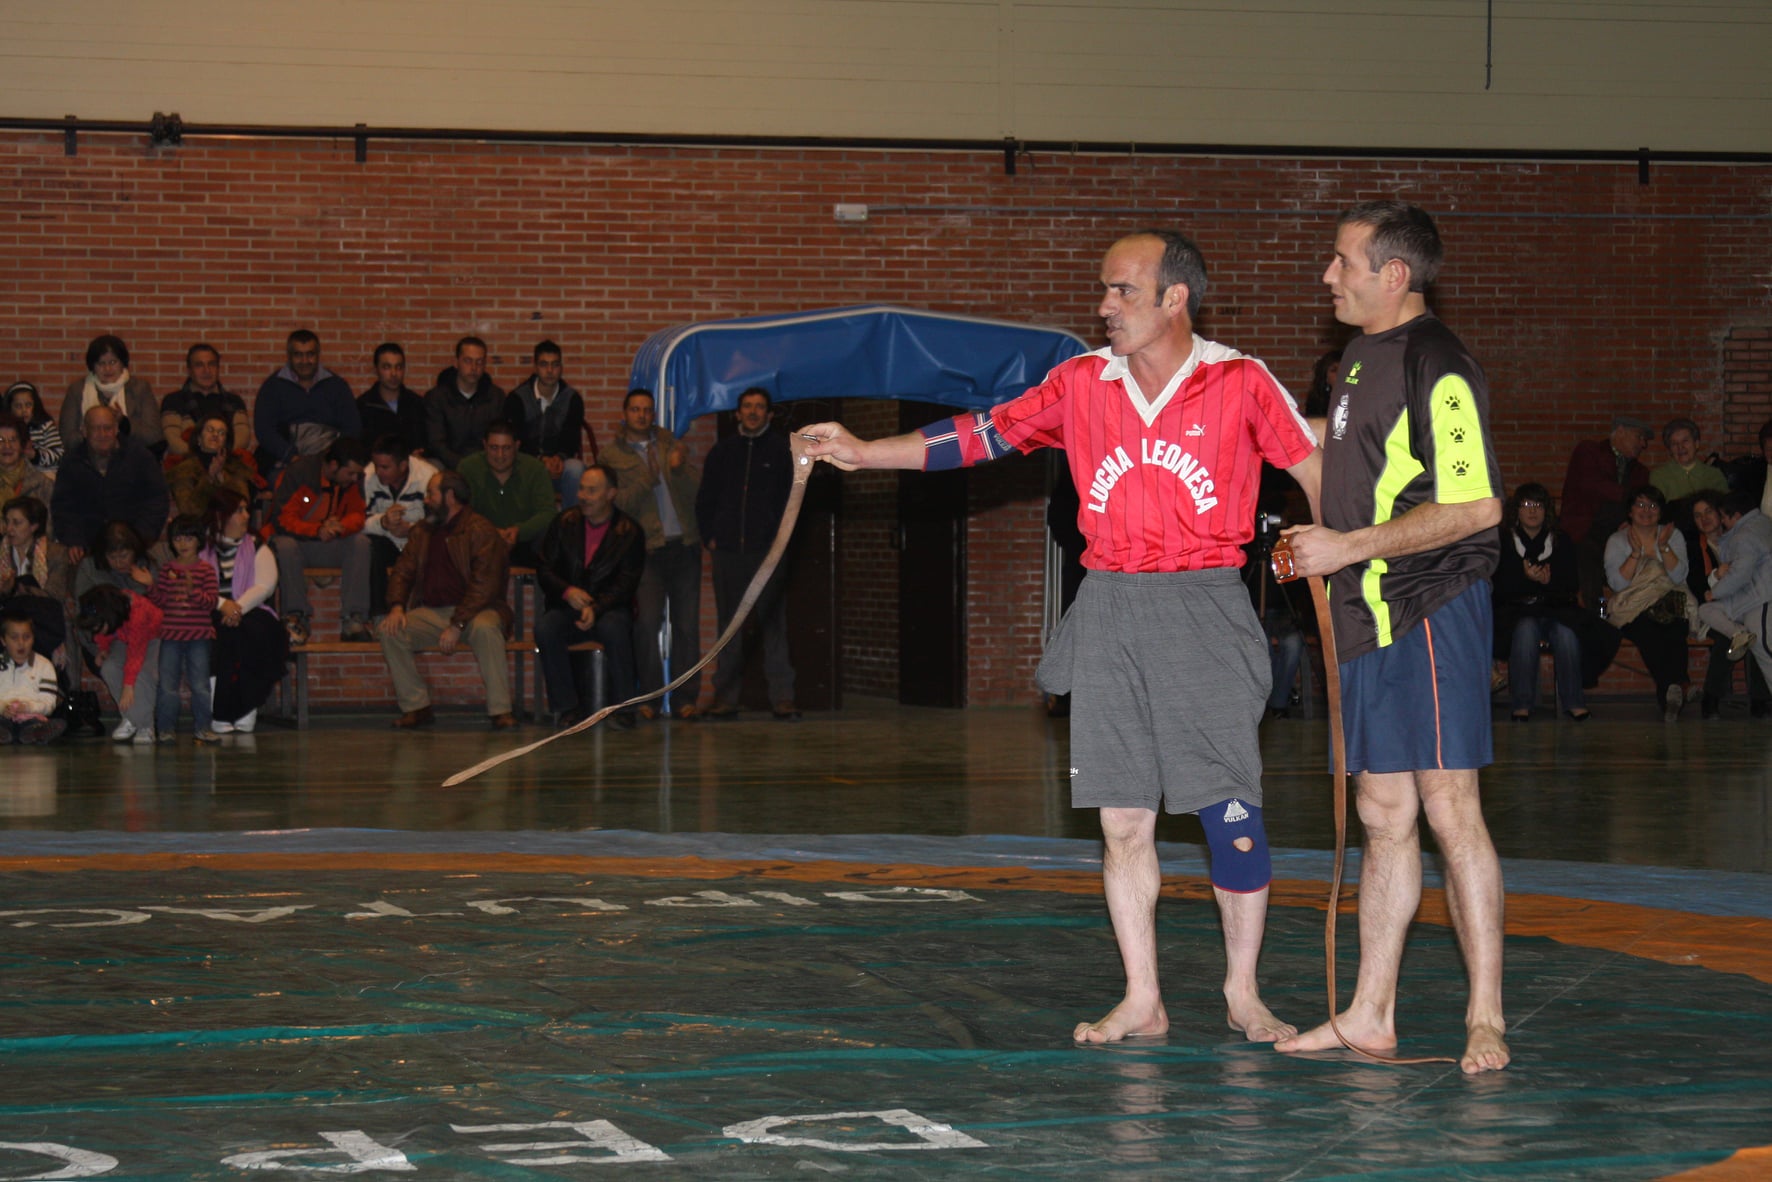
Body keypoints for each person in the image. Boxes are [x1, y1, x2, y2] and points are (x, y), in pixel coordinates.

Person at [803, 229, 1322, 1047]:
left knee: (1229, 807)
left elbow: (1314, 467)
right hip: (1111, 602)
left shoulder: (1240, 380)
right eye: (1104, 290)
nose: (1104, 306)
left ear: (1174, 298)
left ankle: (1243, 994)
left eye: (1122, 291)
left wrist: (1353, 550)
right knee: (1122, 821)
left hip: (1205, 605)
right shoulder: (1081, 383)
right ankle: (1143, 997)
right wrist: (867, 455)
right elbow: (981, 434)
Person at [1274, 200, 1509, 1074]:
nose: (1328, 276)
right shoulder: (1354, 363)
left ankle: (1486, 1014)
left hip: (1430, 608)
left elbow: (1477, 504)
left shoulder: (1440, 366)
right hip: (1362, 616)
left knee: (1451, 808)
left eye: (1342, 262)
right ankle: (1371, 1011)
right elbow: (1361, 466)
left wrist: (1348, 546)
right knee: (1383, 813)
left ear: (1394, 275)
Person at [377, 469, 518, 731]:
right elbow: (402, 571)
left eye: (431, 493)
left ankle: (501, 710)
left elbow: (484, 586)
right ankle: (416, 707)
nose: (426, 499)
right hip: (433, 612)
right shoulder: (422, 531)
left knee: (487, 630)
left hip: (479, 610)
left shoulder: (480, 529)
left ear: (449, 496)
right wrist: (397, 607)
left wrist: (457, 624)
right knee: (390, 631)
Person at [696, 387, 798, 719]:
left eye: (759, 407)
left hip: (768, 553)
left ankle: (783, 698)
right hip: (727, 552)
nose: (753, 412)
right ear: (737, 413)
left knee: (773, 625)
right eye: (747, 406)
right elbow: (706, 498)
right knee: (729, 627)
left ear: (769, 414)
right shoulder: (721, 452)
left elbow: (791, 501)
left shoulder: (782, 452)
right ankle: (726, 698)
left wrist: (779, 541)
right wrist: (709, 536)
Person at [604, 388, 704, 720]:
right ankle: (646, 699)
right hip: (645, 551)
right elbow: (617, 505)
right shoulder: (611, 457)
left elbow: (694, 494)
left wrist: (677, 469)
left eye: (647, 410)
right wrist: (649, 476)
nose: (642, 415)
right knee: (646, 625)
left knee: (687, 627)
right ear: (625, 414)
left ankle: (685, 699)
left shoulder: (670, 447)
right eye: (635, 409)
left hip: (684, 546)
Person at [535, 464, 644, 729]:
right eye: (582, 489)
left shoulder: (629, 531)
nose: (583, 495)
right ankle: (568, 708)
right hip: (568, 605)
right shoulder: (563, 523)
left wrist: (596, 607)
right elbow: (544, 567)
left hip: (610, 607)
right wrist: (567, 591)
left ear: (611, 494)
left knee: (616, 629)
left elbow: (626, 584)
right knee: (546, 628)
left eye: (592, 490)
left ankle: (624, 708)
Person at [1493, 483, 1589, 722]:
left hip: (1554, 608)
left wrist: (1548, 581)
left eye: (1538, 505)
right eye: (1526, 505)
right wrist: (1524, 578)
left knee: (1566, 634)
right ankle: (1522, 704)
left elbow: (1571, 584)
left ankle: (1574, 702)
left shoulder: (1561, 540)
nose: (1532, 511)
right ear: (1517, 510)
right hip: (1516, 611)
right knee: (1526, 630)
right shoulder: (1504, 541)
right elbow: (1499, 586)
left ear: (1547, 510)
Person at [263, 435, 371, 644]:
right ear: (333, 465)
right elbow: (282, 519)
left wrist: (340, 528)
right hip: (297, 544)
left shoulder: (351, 481)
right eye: (350, 473)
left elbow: (358, 515)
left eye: (358, 475)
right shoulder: (300, 472)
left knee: (361, 543)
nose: (354, 479)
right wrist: (317, 530)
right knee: (285, 546)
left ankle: (353, 619)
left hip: (327, 542)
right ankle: (295, 617)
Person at [1603, 484, 1691, 721]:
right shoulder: (1617, 540)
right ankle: (1677, 686)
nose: (1646, 510)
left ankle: (1672, 695)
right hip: (1633, 606)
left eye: (1652, 505)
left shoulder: (1674, 535)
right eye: (1640, 505)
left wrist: (1663, 546)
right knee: (1648, 631)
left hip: (1669, 600)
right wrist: (1634, 554)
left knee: (1675, 627)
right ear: (1630, 511)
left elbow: (1679, 577)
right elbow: (1617, 585)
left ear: (1660, 512)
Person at [203, 488, 286, 734]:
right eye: (239, 510)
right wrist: (222, 605)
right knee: (215, 636)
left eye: (246, 509)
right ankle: (219, 711)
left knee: (252, 635)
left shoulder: (259, 547)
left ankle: (246, 707)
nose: (246, 515)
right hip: (212, 607)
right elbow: (193, 585)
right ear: (220, 516)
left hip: (251, 609)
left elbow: (265, 585)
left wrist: (235, 609)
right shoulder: (201, 547)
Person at [50, 404, 170, 563]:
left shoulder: (140, 457)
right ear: (84, 431)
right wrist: (74, 541)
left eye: (107, 428)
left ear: (116, 429)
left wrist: (140, 540)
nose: (103, 434)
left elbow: (157, 500)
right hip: (88, 552)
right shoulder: (71, 462)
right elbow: (63, 508)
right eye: (96, 428)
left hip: (135, 550)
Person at [1687, 491, 1770, 718]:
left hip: (1746, 600)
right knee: (1729, 637)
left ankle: (1761, 700)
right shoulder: (1695, 547)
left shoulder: (1741, 535)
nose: (1704, 519)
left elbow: (1745, 573)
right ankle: (1711, 700)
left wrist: (1721, 584)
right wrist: (1715, 575)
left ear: (1723, 515)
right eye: (1697, 515)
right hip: (1723, 609)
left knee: (1756, 639)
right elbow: (1697, 585)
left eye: (1709, 512)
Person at [1561, 416, 1653, 611]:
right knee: (1588, 551)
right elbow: (1592, 486)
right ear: (1620, 431)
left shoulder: (1640, 472)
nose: (1643, 444)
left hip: (1618, 533)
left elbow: (1641, 502)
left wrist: (1631, 521)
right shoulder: (1589, 451)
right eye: (1639, 437)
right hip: (1585, 529)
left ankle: (1628, 611)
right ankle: (1597, 612)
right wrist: (1629, 502)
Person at [147, 514, 220, 744]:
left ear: (199, 541)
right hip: (170, 635)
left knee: (200, 685)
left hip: (199, 636)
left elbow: (211, 602)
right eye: (178, 539)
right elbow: (161, 600)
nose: (183, 544)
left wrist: (192, 591)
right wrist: (150, 585)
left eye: (188, 538)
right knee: (168, 685)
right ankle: (166, 729)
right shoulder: (167, 568)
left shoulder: (206, 570)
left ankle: (203, 727)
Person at [253, 330, 362, 473]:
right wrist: (292, 458)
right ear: (289, 356)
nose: (304, 361)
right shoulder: (273, 387)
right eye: (298, 355)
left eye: (310, 354)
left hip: (330, 465)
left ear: (318, 355)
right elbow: (264, 430)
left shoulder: (337, 386)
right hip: (285, 464)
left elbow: (352, 428)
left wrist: (331, 458)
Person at [361, 434, 438, 622]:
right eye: (376, 464)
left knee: (433, 546)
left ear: (403, 465)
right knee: (367, 546)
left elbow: (440, 522)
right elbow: (356, 521)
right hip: (386, 541)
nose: (378, 471)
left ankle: (428, 613)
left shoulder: (428, 476)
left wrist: (411, 530)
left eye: (385, 467)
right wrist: (383, 523)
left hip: (418, 542)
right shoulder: (367, 475)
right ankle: (379, 614)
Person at [456, 420, 555, 566]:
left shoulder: (535, 469)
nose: (500, 455)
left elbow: (548, 512)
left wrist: (519, 531)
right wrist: (491, 532)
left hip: (525, 543)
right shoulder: (468, 468)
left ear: (517, 446)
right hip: (480, 543)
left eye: (506, 448)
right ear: (484, 445)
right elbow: (462, 512)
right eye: (494, 448)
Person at [76, 582, 162, 745]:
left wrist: (128, 685)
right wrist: (103, 648)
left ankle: (145, 726)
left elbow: (136, 654)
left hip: (149, 637)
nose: (96, 630)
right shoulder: (108, 613)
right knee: (109, 668)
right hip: (123, 635)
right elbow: (104, 631)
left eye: (98, 626)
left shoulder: (138, 613)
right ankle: (130, 716)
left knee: (143, 673)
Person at [504, 339, 586, 503]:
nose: (550, 370)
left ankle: (570, 523)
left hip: (559, 465)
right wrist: (541, 460)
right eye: (544, 364)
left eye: (555, 365)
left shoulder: (572, 399)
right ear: (535, 367)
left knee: (576, 469)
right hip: (526, 463)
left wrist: (559, 458)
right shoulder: (518, 398)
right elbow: (515, 438)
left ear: (561, 367)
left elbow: (572, 438)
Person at [0, 495, 73, 668]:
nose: (9, 529)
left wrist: (16, 588)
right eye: (7, 521)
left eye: (17, 523)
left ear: (34, 526)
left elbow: (54, 595)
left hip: (41, 622)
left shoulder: (55, 554)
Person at [60, 334, 157, 451]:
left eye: (112, 362)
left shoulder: (140, 389)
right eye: (101, 363)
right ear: (92, 366)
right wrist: (92, 431)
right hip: (86, 459)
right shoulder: (77, 390)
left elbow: (154, 436)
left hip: (130, 458)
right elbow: (66, 439)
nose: (107, 369)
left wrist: (124, 423)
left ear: (123, 363)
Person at [160, 343, 254, 461]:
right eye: (199, 365)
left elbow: (242, 438)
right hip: (187, 464)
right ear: (189, 370)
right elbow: (173, 440)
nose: (207, 370)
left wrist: (221, 458)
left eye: (212, 364)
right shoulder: (173, 401)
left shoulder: (234, 401)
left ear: (218, 368)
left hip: (228, 463)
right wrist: (204, 459)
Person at [424, 336, 505, 470]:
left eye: (479, 362)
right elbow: (436, 443)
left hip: (486, 465)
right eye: (468, 361)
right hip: (447, 464)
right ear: (456, 362)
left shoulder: (496, 397)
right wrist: (463, 465)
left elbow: (498, 438)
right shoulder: (437, 398)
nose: (474, 368)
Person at [166, 413, 261, 520]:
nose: (215, 434)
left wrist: (222, 478)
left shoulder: (237, 468)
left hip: (229, 527)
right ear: (199, 438)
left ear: (226, 442)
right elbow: (188, 511)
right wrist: (209, 478)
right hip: (198, 529)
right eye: (210, 430)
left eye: (221, 433)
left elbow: (241, 505)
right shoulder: (183, 470)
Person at [0, 609, 64, 745]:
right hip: (2, 716)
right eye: (14, 637)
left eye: (26, 637)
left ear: (33, 638)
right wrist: (3, 707)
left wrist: (28, 707)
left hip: (31, 717)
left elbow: (49, 704)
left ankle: (33, 733)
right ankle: (7, 734)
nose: (21, 643)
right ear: (3, 641)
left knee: (35, 724)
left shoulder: (45, 665)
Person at [357, 343, 428, 458]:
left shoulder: (416, 403)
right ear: (376, 370)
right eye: (386, 367)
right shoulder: (364, 406)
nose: (394, 373)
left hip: (412, 465)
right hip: (377, 467)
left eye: (399, 367)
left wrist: (421, 452)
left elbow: (426, 441)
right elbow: (361, 447)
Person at [1649, 417, 1727, 517]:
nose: (1680, 447)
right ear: (1669, 450)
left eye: (1685, 441)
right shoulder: (1659, 476)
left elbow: (1725, 510)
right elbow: (1657, 513)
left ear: (1697, 444)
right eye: (1674, 444)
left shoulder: (1714, 474)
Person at [0, 413, 54, 512]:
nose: (7, 446)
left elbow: (48, 524)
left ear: (22, 445)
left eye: (13, 440)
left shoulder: (42, 484)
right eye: (0, 440)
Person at [7, 382, 64, 473]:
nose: (24, 410)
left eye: (28, 405)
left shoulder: (45, 426)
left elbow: (59, 454)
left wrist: (35, 455)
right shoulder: (6, 430)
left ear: (35, 406)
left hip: (43, 473)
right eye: (18, 406)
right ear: (10, 408)